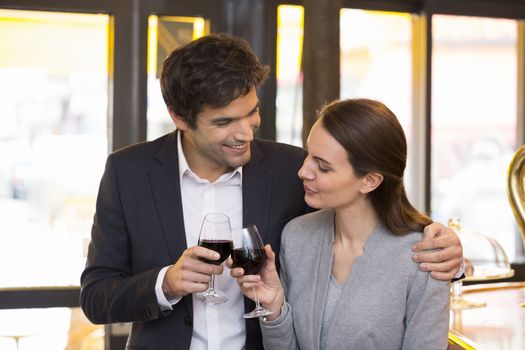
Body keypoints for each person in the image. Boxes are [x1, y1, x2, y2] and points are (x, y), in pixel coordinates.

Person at [80, 34, 461, 350]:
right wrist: (166, 283)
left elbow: (370, 204)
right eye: (225, 121)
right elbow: (96, 297)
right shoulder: (128, 172)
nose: (246, 132)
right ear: (179, 117)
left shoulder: (292, 169)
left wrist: (447, 248)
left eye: (252, 112)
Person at [230, 99, 451, 349]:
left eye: (323, 167)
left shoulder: (424, 257)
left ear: (369, 181)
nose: (303, 171)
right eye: (308, 156)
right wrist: (274, 307)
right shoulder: (298, 236)